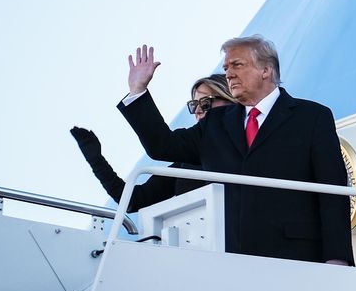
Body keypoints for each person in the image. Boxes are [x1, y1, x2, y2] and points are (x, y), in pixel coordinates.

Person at [117, 37, 354, 266]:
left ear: (266, 70)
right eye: (226, 67)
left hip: (296, 256)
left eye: (237, 65)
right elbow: (163, 146)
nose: (229, 74)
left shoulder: (312, 117)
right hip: (227, 258)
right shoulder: (215, 123)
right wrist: (138, 90)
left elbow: (332, 192)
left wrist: (337, 257)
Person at [71, 73, 237, 212]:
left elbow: (163, 144)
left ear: (231, 100)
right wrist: (96, 160)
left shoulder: (247, 141)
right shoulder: (187, 161)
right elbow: (132, 200)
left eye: (206, 103)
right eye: (194, 105)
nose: (198, 110)